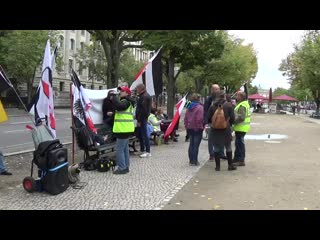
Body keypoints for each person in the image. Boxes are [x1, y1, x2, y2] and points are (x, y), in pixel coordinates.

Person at [207, 91, 236, 171]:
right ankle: (230, 165)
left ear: (216, 97)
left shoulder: (212, 106)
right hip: (226, 129)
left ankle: (217, 167)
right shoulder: (229, 105)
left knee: (216, 147)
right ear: (224, 97)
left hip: (215, 130)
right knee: (228, 146)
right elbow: (233, 119)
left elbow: (208, 118)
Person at [110, 86, 136, 174]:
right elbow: (121, 111)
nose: (120, 92)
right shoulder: (126, 101)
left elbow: (120, 106)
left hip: (123, 129)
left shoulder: (126, 101)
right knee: (125, 149)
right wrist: (113, 113)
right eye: (120, 90)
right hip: (125, 129)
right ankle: (126, 166)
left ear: (127, 93)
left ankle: (122, 168)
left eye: (122, 91)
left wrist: (113, 97)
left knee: (119, 149)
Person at [203, 84, 226, 161]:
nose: (218, 90)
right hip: (211, 122)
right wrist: (206, 123)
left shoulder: (223, 100)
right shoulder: (209, 100)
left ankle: (221, 154)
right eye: (216, 89)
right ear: (212, 90)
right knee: (211, 139)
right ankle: (211, 154)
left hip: (221, 122)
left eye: (218, 89)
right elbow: (205, 112)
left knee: (221, 138)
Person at [184, 93, 204, 166]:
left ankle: (191, 161)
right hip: (197, 128)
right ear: (198, 99)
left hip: (190, 128)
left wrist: (186, 126)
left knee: (191, 144)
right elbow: (200, 119)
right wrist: (201, 126)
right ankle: (195, 161)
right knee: (196, 145)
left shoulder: (189, 107)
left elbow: (185, 118)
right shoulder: (200, 107)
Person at [233, 91, 251, 167]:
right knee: (238, 144)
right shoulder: (242, 104)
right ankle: (237, 158)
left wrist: (233, 121)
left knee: (240, 144)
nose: (236, 97)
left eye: (237, 95)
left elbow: (241, 118)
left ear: (240, 97)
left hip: (241, 127)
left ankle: (241, 160)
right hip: (241, 128)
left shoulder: (242, 105)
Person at [135, 83, 152, 158]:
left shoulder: (144, 97)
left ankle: (147, 151)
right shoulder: (143, 96)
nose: (136, 90)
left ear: (141, 89)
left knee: (144, 135)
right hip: (142, 118)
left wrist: (139, 120)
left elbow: (143, 110)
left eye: (137, 89)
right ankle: (142, 150)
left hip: (142, 119)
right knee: (141, 134)